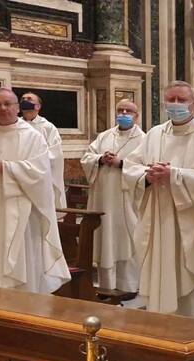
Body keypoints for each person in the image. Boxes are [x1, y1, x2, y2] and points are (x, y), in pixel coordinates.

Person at [123, 81, 194, 319]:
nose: (176, 104)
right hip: (160, 219)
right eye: (171, 99)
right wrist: (147, 176)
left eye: (182, 100)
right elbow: (131, 166)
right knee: (162, 275)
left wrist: (174, 175)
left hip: (193, 225)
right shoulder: (155, 134)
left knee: (191, 290)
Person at [0, 88, 70, 293]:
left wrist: (6, 167)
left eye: (8, 104)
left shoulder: (33, 137)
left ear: (17, 107)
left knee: (22, 261)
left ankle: (25, 306)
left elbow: (40, 171)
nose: (3, 108)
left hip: (22, 213)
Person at [81, 99, 144, 293]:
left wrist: (122, 163)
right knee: (105, 239)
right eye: (120, 110)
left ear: (137, 116)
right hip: (102, 197)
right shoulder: (104, 136)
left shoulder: (144, 139)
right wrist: (100, 159)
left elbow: (146, 168)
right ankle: (106, 286)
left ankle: (129, 286)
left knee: (128, 240)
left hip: (127, 200)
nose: (123, 113)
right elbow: (87, 157)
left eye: (128, 111)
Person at [20, 92, 66, 210]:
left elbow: (55, 154)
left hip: (39, 177)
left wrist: (33, 162)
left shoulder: (47, 127)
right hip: (18, 176)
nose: (24, 101)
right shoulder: (15, 125)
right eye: (23, 99)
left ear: (38, 106)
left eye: (29, 99)